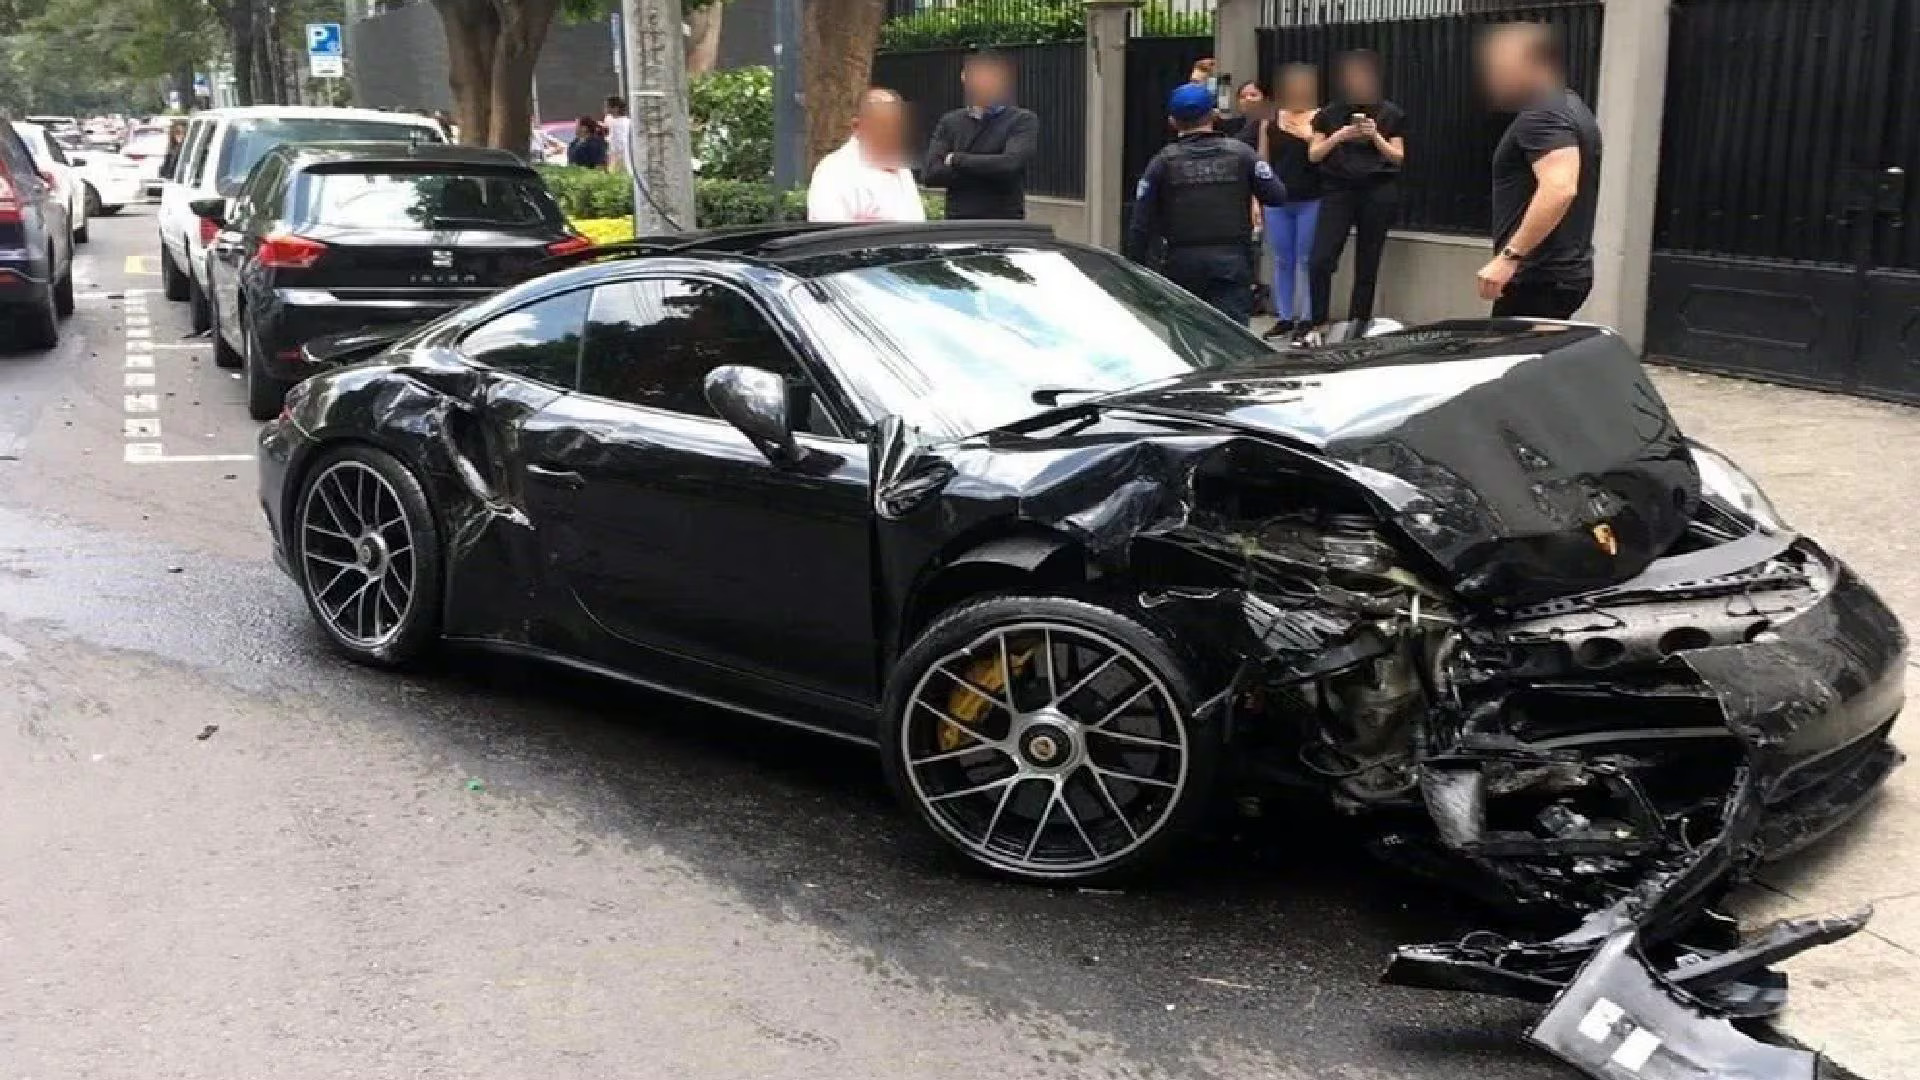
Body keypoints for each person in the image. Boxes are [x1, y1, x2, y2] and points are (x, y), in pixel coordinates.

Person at [1127, 83, 1289, 324]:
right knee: (1231, 335)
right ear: (1214, 115)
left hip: (1181, 264)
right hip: (1232, 263)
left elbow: (1140, 224)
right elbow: (1277, 195)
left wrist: (1135, 272)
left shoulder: (1162, 162)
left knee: (1187, 333)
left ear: (1172, 121)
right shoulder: (1242, 154)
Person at [1476, 22, 1602, 319]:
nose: (1493, 78)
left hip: (1539, 278)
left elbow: (1560, 188)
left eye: (1501, 68)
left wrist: (1510, 257)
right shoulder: (1570, 106)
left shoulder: (1542, 113)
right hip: (1558, 276)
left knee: (1511, 349)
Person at [1307, 49, 1406, 330]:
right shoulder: (1328, 114)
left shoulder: (1390, 113)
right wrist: (1339, 136)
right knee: (1321, 258)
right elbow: (1314, 154)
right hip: (1338, 189)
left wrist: (1375, 136)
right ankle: (1318, 322)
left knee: (1368, 260)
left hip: (1377, 189)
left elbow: (1398, 157)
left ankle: (1357, 323)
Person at [922, 49, 1040, 220]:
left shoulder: (1022, 120)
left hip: (1003, 223)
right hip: (958, 223)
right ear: (964, 78)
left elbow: (1010, 165)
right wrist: (991, 167)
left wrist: (955, 159)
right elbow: (930, 174)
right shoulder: (950, 122)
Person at [1256, 64, 1326, 342]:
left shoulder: (1320, 118)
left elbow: (1323, 154)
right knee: (1283, 259)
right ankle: (1285, 316)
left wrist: (1306, 135)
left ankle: (1307, 316)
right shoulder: (1271, 121)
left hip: (1311, 196)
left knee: (1306, 259)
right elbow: (1263, 161)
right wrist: (1258, 197)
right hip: (1278, 198)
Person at [807, 88, 926, 224]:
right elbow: (832, 233)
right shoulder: (834, 172)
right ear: (857, 127)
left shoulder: (902, 170)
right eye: (884, 128)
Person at [603, 95, 632, 175]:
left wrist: (611, 160)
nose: (605, 109)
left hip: (620, 160)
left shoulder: (616, 124)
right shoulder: (628, 121)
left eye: (607, 106)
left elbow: (618, 144)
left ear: (616, 108)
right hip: (626, 158)